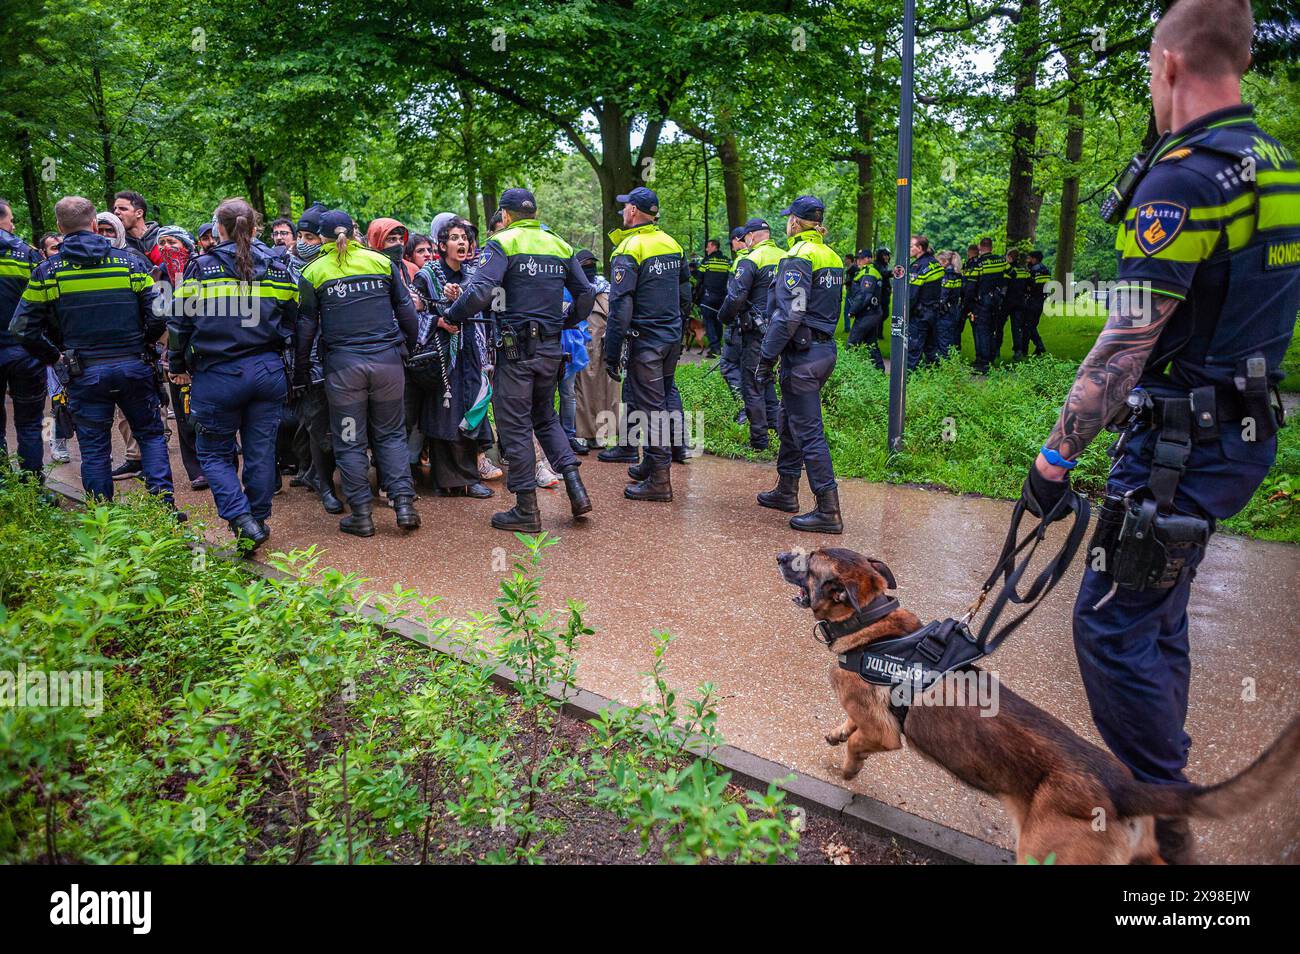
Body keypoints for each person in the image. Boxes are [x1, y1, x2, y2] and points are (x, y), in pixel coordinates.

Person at [1023, 0, 1299, 863]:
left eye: (1150, 72)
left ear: (1169, 66)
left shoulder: (1185, 177)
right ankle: (1166, 768)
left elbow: (1127, 340)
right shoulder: (1277, 165)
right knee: (1157, 610)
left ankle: (1161, 823)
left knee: (1110, 625)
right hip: (1239, 436)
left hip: (1180, 444)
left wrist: (1056, 455)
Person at [10, 196, 177, 509]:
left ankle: (103, 519)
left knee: (95, 448)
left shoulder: (49, 272)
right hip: (134, 365)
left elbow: (21, 328)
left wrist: (54, 357)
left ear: (60, 228)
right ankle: (165, 510)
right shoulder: (130, 262)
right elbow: (159, 313)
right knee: (151, 436)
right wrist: (144, 343)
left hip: (83, 371)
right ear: (93, 224)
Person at [443, 188, 594, 530]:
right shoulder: (558, 243)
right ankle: (577, 490)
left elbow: (481, 292)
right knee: (546, 418)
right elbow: (585, 293)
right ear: (534, 213)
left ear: (506, 215)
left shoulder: (503, 242)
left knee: (515, 426)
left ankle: (527, 510)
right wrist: (564, 321)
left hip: (516, 353)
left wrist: (453, 315)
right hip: (551, 351)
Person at [169, 198, 295, 549]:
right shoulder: (278, 265)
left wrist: (177, 365)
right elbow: (294, 316)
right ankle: (256, 519)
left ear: (218, 229)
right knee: (260, 450)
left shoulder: (200, 267)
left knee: (212, 453)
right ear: (255, 229)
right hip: (267, 370)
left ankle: (241, 520)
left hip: (218, 374)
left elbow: (179, 323)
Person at [295, 209, 422, 537]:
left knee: (350, 440)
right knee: (392, 434)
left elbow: (306, 326)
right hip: (387, 364)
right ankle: (404, 504)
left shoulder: (313, 271)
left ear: (320, 238)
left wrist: (301, 369)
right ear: (353, 232)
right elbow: (406, 311)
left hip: (344, 370)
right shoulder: (381, 263)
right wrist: (407, 346)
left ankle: (362, 515)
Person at [755, 195, 843, 533]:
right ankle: (786, 489)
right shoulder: (830, 255)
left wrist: (766, 357)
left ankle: (828, 510)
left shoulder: (798, 256)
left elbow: (790, 313)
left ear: (794, 221)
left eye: (788, 218)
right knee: (789, 417)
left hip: (803, 355)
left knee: (809, 431)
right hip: (823, 351)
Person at [602, 186, 690, 502]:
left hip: (646, 343)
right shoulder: (672, 244)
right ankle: (650, 465)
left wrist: (611, 354)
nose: (623, 211)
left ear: (635, 212)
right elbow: (685, 295)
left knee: (652, 411)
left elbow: (620, 306)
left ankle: (660, 482)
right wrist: (678, 331)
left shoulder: (629, 248)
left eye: (626, 207)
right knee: (662, 401)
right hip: (670, 338)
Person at [410, 217, 494, 498]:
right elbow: (412, 315)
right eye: (455, 237)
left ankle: (469, 478)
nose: (462, 242)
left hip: (471, 353)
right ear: (442, 244)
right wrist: (439, 320)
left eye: (465, 238)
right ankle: (446, 480)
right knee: (445, 414)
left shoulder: (474, 275)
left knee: (470, 409)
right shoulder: (427, 275)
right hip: (441, 356)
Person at [285, 202, 341, 514]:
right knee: (315, 423)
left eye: (311, 236)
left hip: (339, 355)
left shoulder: (337, 265)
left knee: (340, 425)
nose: (305, 242)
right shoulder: (285, 266)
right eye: (301, 235)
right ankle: (322, 481)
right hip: (307, 358)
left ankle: (328, 477)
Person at [718, 216, 783, 450]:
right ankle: (777, 432)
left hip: (756, 332)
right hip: (783, 332)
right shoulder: (787, 256)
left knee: (753, 384)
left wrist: (723, 319)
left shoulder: (751, 259)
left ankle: (759, 441)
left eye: (746, 238)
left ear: (752, 236)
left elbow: (735, 297)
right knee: (768, 381)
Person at [0, 198, 46, 479]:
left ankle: (4, 486)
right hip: (24, 351)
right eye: (10, 219)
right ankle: (33, 485)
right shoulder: (27, 254)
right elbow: (44, 304)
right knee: (30, 423)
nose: (13, 225)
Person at [571, 248, 620, 452]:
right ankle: (588, 434)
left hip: (599, 346)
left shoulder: (591, 290)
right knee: (586, 389)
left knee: (594, 390)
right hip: (590, 346)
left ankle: (595, 434)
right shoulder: (608, 289)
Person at [905, 235, 943, 370]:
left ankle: (906, 381)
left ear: (920, 248)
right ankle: (936, 376)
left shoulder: (918, 267)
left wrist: (905, 313)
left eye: (911, 246)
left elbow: (912, 295)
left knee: (913, 350)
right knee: (931, 348)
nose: (908, 249)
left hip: (920, 315)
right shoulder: (935, 263)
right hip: (933, 312)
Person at [845, 247, 886, 369]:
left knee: (852, 344)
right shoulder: (867, 271)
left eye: (862, 259)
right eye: (858, 259)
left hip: (867, 314)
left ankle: (847, 371)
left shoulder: (868, 272)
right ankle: (879, 370)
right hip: (872, 313)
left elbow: (864, 296)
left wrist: (852, 310)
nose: (859, 261)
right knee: (871, 344)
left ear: (869, 259)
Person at [969, 236, 1005, 374]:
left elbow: (972, 285)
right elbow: (1011, 274)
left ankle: (983, 363)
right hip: (998, 301)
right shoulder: (1001, 260)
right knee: (993, 329)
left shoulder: (979, 263)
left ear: (980, 247)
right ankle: (991, 357)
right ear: (992, 247)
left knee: (982, 330)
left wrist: (970, 303)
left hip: (982, 301)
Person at [693, 237, 729, 356]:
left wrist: (696, 294)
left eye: (708, 246)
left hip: (708, 297)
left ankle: (715, 347)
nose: (706, 249)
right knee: (718, 321)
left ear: (714, 246)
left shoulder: (707, 261)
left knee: (709, 322)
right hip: (723, 297)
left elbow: (700, 278)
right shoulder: (726, 261)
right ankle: (718, 345)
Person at [111, 191, 160, 261]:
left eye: (123, 209)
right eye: (115, 208)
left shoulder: (162, 238)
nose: (116, 212)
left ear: (139, 213)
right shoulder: (118, 243)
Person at [937, 250, 965, 358]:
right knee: (952, 339)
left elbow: (943, 297)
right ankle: (951, 362)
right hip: (954, 309)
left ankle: (943, 365)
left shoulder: (947, 275)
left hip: (945, 313)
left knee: (943, 340)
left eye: (938, 262)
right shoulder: (957, 274)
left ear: (944, 261)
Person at [1022, 250, 1050, 356]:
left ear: (1034, 259)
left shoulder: (1032, 271)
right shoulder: (1046, 270)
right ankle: (1038, 350)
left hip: (1031, 300)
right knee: (1032, 324)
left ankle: (1037, 346)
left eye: (1029, 258)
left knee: (1028, 325)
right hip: (1041, 300)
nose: (1028, 260)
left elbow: (1028, 286)